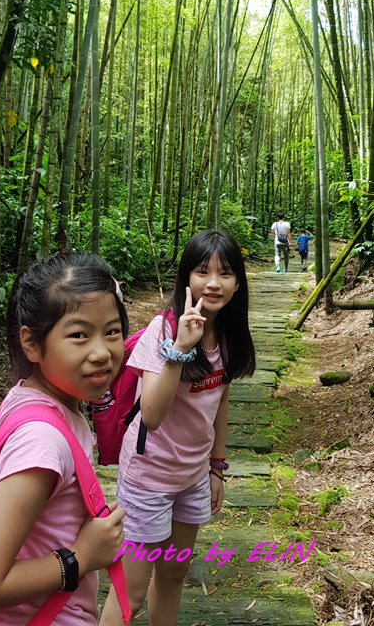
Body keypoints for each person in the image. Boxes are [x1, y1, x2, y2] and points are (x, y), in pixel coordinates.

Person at [0, 252, 129, 625]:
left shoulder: (30, 400)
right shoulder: (42, 441)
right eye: (79, 335)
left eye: (112, 331)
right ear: (32, 344)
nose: (102, 352)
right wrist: (82, 555)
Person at [99, 230, 256, 626]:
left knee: (173, 574)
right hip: (149, 478)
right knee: (130, 594)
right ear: (187, 278)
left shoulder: (228, 334)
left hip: (193, 477)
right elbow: (151, 415)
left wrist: (217, 467)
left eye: (226, 273)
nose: (214, 283)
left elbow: (219, 403)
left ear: (238, 283)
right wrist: (181, 348)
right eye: (203, 271)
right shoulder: (163, 330)